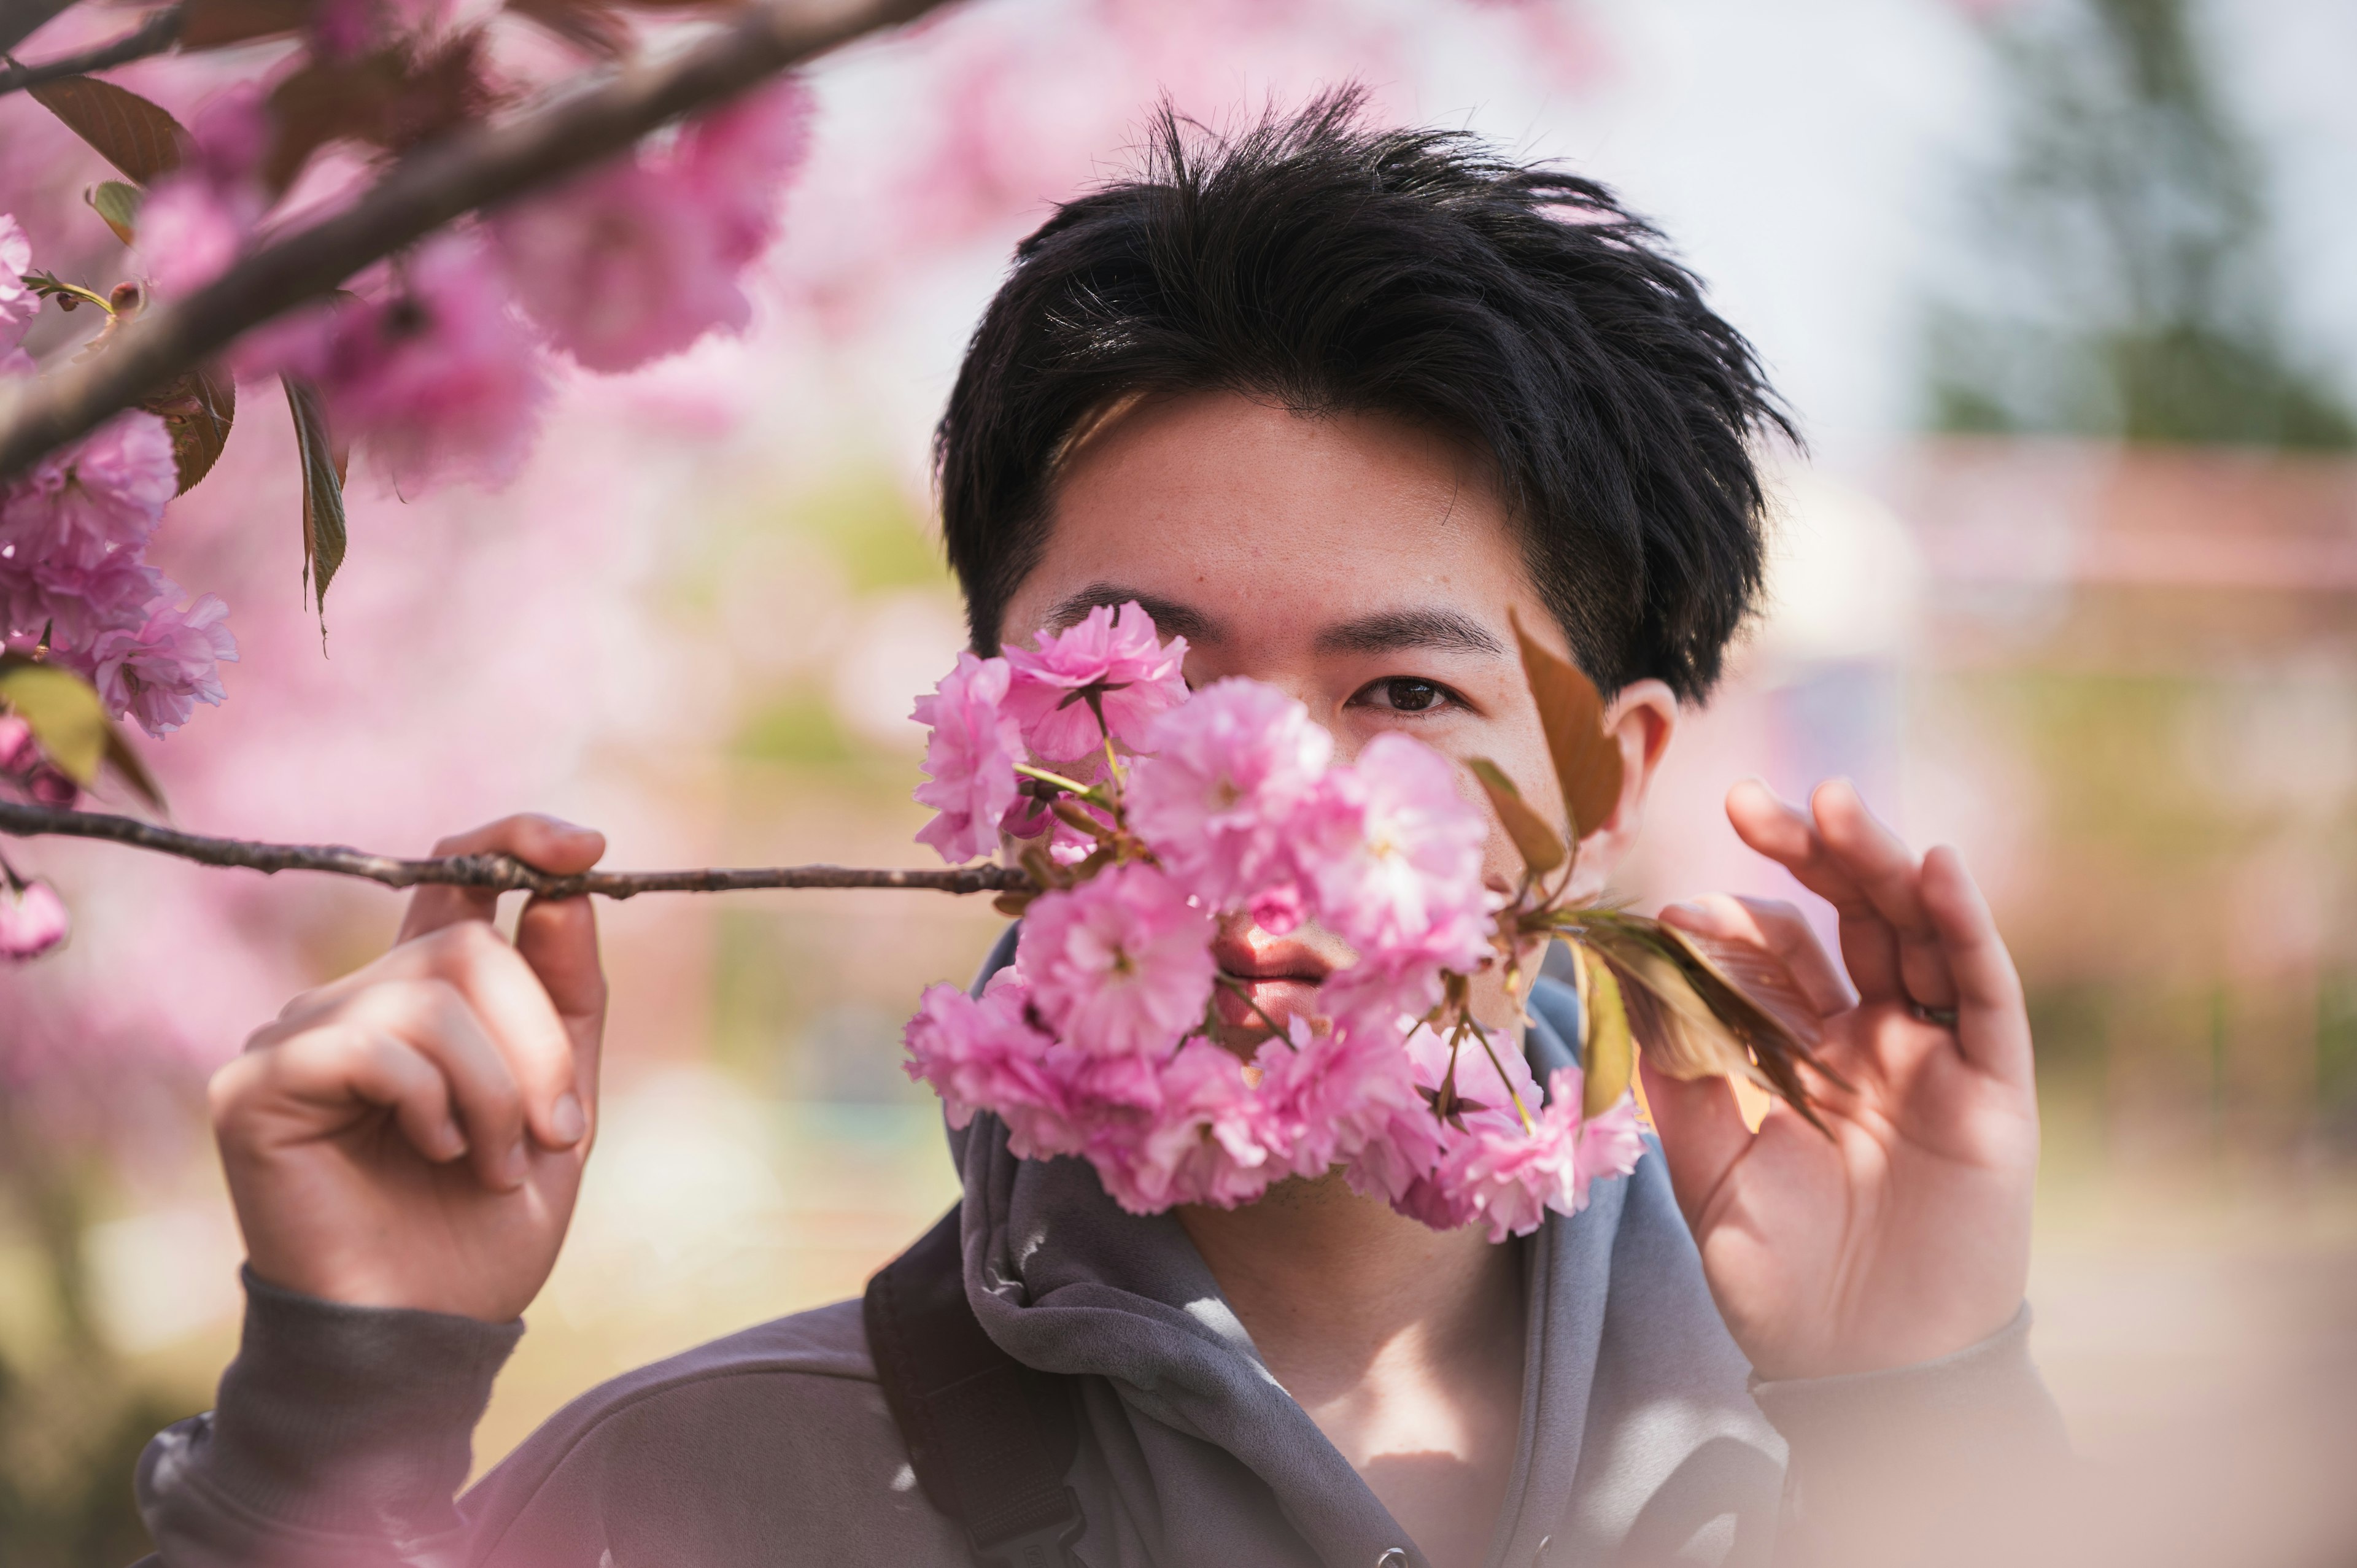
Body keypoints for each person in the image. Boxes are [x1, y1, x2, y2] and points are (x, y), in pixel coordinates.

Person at [134, 96, 2064, 1568]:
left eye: (1400, 695)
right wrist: (344, 1404)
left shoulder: (1835, 1471)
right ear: (991, 734)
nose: (1261, 821)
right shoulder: (694, 1496)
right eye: (1136, 694)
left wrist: (1927, 1406)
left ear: (1608, 771)